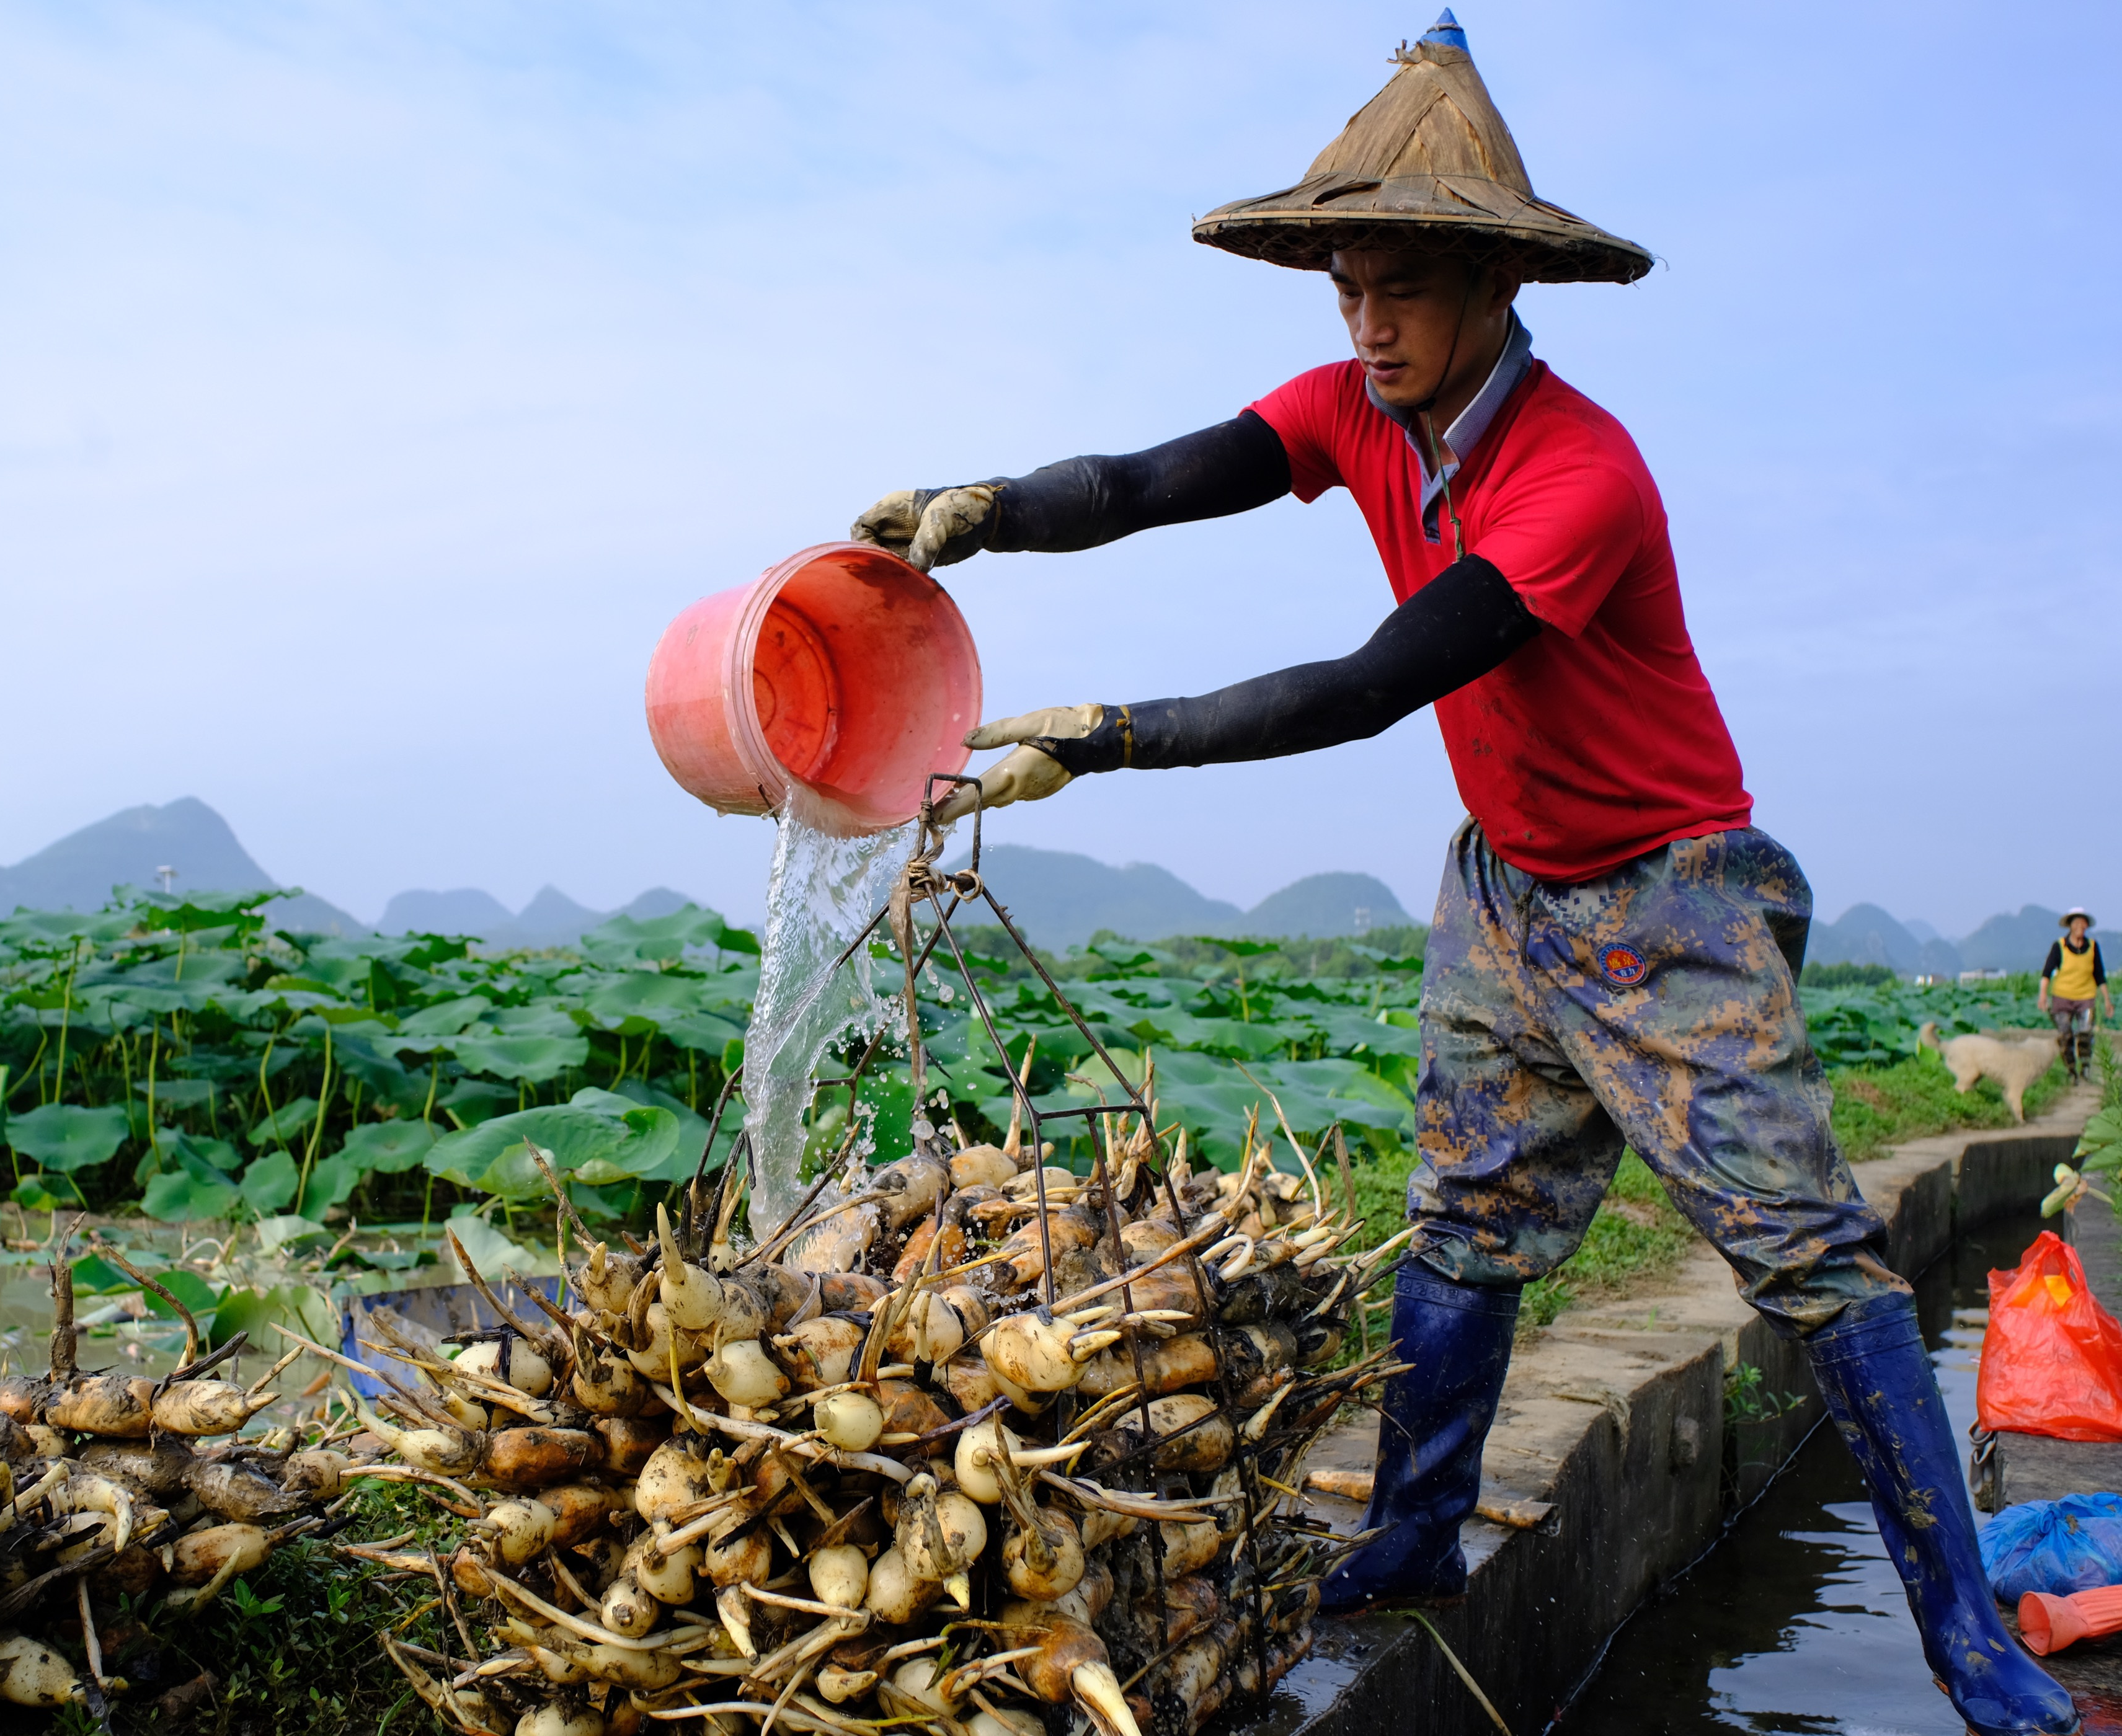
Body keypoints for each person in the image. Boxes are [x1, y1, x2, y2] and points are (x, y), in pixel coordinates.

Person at [848, 15, 2074, 1734]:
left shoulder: (1577, 475)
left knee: (1816, 1266)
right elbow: (1149, 479)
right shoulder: (1360, 407)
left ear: (1497, 285)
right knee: (1465, 1221)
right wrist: (985, 506)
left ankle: (1971, 1651)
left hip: (1670, 899)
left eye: (1402, 285)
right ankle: (1418, 1535)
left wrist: (1113, 735)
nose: (1368, 323)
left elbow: (1369, 684)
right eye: (1347, 284)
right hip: (1507, 888)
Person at [2038, 908, 2110, 1082]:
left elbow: (2099, 975)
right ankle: (2071, 1071)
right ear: (2070, 926)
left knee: (2086, 1034)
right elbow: (2047, 973)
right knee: (2065, 1036)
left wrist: (2107, 1000)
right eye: (2076, 923)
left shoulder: (2093, 947)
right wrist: (2043, 996)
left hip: (2085, 997)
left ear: (2086, 926)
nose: (2080, 926)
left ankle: (2085, 1068)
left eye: (2083, 923)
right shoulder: (2059, 946)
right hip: (2062, 998)